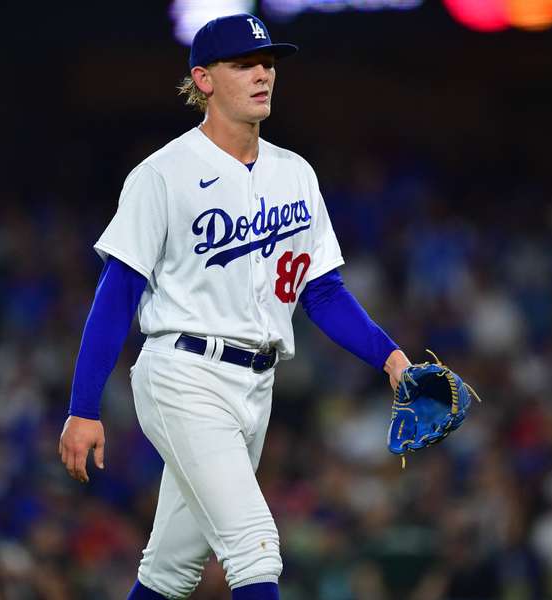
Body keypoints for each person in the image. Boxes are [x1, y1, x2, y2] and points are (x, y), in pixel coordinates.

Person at [58, 13, 411, 600]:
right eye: (243, 64)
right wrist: (83, 407)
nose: (262, 74)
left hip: (257, 385)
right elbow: (117, 292)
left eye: (268, 63)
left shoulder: (294, 174)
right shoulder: (163, 174)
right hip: (183, 374)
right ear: (203, 79)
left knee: (171, 569)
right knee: (254, 547)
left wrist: (392, 359)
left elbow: (321, 292)